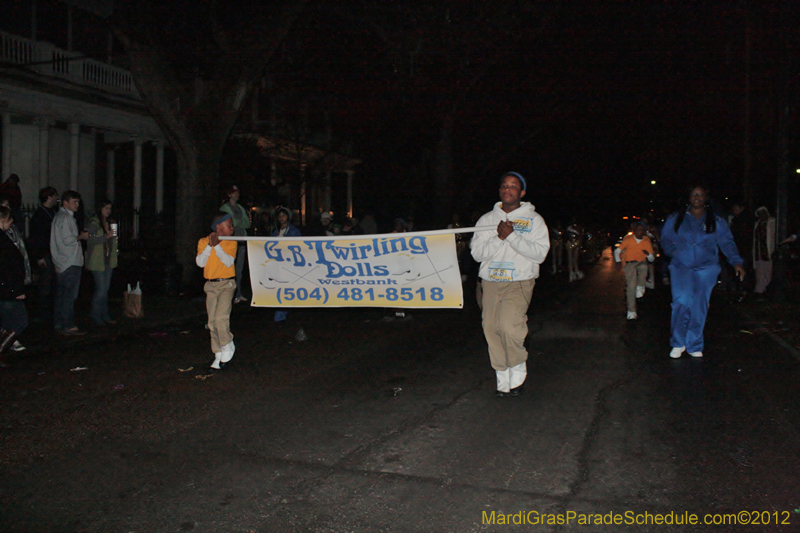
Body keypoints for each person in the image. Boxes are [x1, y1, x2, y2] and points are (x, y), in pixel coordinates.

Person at [470, 172, 550, 398]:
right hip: (491, 281)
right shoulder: (486, 220)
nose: (508, 189)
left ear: (522, 192)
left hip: (519, 282)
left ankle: (517, 367)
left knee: (509, 326)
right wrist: (498, 238)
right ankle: (502, 372)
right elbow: (477, 254)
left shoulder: (535, 220)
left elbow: (539, 254)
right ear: (499, 191)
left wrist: (513, 236)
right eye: (504, 186)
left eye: (513, 186)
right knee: (490, 328)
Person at [660, 186, 746, 359]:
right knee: (681, 302)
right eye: (694, 194)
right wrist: (674, 252)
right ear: (689, 198)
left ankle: (694, 343)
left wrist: (736, 262)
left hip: (706, 268)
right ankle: (678, 342)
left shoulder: (716, 220)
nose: (697, 197)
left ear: (706, 198)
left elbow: (727, 242)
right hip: (681, 267)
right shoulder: (677, 218)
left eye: (700, 195)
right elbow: (666, 239)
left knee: (699, 305)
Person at [196, 212, 238, 370]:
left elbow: (228, 262)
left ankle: (228, 344)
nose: (232, 228)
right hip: (211, 286)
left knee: (221, 317)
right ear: (218, 227)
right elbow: (200, 263)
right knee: (212, 322)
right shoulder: (203, 241)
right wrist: (209, 246)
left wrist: (218, 246)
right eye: (228, 225)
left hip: (226, 284)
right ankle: (218, 352)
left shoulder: (231, 242)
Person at [50, 190, 90, 336]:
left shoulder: (60, 217)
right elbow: (68, 240)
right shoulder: (65, 218)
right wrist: (81, 236)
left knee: (61, 294)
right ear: (65, 202)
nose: (77, 205)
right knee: (69, 295)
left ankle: (59, 322)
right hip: (69, 261)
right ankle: (68, 324)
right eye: (74, 202)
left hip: (62, 262)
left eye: (78, 202)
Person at [0, 196, 32, 351]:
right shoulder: (3, 241)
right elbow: (8, 268)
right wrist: (16, 290)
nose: (11, 222)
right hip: (8, 290)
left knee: (7, 322)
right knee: (20, 321)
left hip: (7, 289)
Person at [27, 187, 59, 322]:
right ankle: (42, 313)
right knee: (45, 284)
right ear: (49, 197)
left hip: (51, 252)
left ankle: (48, 312)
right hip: (45, 253)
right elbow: (35, 237)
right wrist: (39, 256)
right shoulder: (40, 215)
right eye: (55, 196)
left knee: (51, 283)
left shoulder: (52, 212)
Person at [85, 200, 118, 326]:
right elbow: (90, 240)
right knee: (101, 289)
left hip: (108, 259)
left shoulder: (109, 222)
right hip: (97, 260)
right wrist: (106, 236)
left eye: (110, 208)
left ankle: (104, 314)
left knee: (105, 289)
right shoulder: (94, 223)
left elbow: (113, 241)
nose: (108, 211)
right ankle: (95, 314)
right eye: (106, 208)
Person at [613, 221, 655, 320]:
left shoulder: (646, 241)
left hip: (641, 262)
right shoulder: (629, 239)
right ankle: (631, 311)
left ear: (644, 231)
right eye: (636, 229)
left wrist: (648, 254)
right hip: (630, 263)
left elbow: (651, 259)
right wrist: (618, 261)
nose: (638, 231)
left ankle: (640, 287)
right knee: (631, 287)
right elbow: (617, 251)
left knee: (644, 267)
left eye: (640, 229)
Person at [220, 185, 251, 304]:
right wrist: (238, 222)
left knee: (239, 269)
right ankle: (229, 294)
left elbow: (247, 223)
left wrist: (238, 223)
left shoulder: (240, 208)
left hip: (241, 241)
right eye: (234, 192)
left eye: (237, 192)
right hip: (230, 241)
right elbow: (231, 222)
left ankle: (238, 293)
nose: (236, 194)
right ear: (229, 194)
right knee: (229, 267)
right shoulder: (225, 208)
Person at [271, 206, 301, 324]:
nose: (282, 218)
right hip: (277, 264)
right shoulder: (275, 231)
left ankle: (284, 310)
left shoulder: (294, 231)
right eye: (280, 216)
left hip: (289, 264)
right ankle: (281, 310)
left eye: (284, 215)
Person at [752, 206, 776, 296]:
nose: (761, 215)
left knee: (768, 271)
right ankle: (759, 290)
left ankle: (766, 289)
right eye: (759, 214)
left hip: (768, 250)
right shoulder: (757, 224)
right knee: (759, 272)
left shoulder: (772, 222)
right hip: (759, 251)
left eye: (763, 213)